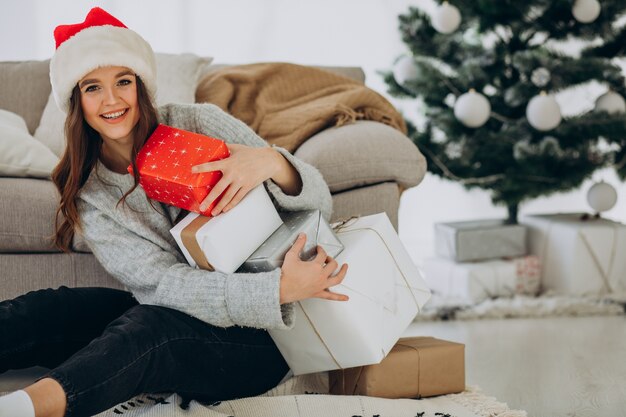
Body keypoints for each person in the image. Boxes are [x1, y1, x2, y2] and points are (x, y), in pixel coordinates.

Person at [0, 7, 349, 417]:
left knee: (149, 331)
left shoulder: (199, 122)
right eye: (93, 87)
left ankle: (26, 410)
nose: (111, 100)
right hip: (204, 308)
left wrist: (274, 163)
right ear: (76, 101)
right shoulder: (89, 190)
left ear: (141, 85)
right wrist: (274, 289)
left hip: (266, 338)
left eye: (123, 82)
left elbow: (322, 203)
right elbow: (161, 285)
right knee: (52, 308)